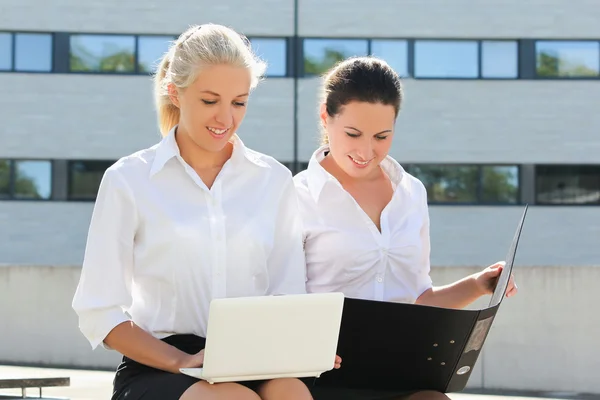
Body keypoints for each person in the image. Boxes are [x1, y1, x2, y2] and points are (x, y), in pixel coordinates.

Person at [72, 23, 324, 400]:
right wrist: (181, 361)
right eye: (210, 101)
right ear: (175, 92)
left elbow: (286, 293)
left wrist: (305, 348)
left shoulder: (273, 180)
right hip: (159, 364)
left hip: (253, 359)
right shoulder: (129, 180)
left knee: (292, 393)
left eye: (239, 102)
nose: (226, 118)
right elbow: (99, 311)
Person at [293, 56, 518, 400]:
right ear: (326, 116)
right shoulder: (297, 196)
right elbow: (278, 300)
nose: (367, 151)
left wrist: (478, 284)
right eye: (353, 134)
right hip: (323, 375)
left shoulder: (412, 192)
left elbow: (418, 300)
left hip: (401, 371)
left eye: (382, 136)